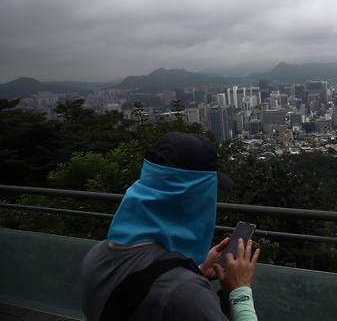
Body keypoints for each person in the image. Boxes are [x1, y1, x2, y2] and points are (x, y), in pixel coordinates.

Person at [80, 132, 260, 320]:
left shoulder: (96, 256)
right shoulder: (188, 295)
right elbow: (174, 297)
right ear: (194, 200)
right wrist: (240, 291)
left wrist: (195, 270)